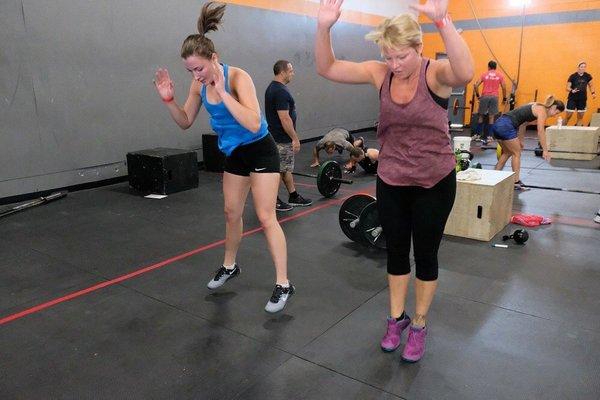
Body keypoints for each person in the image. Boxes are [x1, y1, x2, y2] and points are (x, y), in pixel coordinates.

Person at [316, 0, 474, 362]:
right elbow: (327, 67)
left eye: (400, 57)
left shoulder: (435, 74)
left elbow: (465, 72)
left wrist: (442, 21)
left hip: (435, 179)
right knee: (396, 252)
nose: (394, 64)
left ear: (418, 48)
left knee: (427, 255)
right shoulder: (380, 73)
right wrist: (324, 26)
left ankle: (419, 324)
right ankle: (396, 318)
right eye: (388, 56)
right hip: (392, 178)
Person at [153, 2, 294, 313]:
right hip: (235, 154)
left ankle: (284, 283)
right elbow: (185, 120)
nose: (196, 75)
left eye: (200, 68)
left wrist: (223, 91)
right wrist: (169, 101)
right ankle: (230, 265)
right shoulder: (199, 84)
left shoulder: (236, 78)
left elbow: (255, 123)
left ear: (213, 59)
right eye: (190, 71)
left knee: (266, 215)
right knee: (231, 212)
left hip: (261, 149)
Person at [265, 60, 313, 211]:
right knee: (279, 170)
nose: (293, 73)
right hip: (282, 138)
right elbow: (284, 118)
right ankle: (272, 201)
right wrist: (295, 138)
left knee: (285, 169)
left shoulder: (273, 88)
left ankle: (293, 196)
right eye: (291, 70)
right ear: (282, 72)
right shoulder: (280, 91)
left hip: (277, 137)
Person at [492, 95, 564, 189]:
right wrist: (545, 150)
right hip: (506, 125)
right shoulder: (542, 111)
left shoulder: (536, 105)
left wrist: (521, 140)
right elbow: (541, 131)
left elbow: (523, 124)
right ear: (553, 107)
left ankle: (493, 176)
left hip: (499, 123)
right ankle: (516, 182)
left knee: (507, 152)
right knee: (517, 153)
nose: (554, 115)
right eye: (556, 112)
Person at [473, 60, 507, 144]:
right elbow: (504, 87)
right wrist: (504, 98)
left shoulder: (484, 74)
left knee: (481, 116)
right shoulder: (500, 75)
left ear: (488, 67)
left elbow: (476, 85)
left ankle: (477, 135)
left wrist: (478, 95)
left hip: (484, 96)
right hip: (494, 97)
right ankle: (490, 137)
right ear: (495, 67)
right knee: (491, 117)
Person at [565, 62, 596, 126]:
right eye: (582, 67)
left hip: (582, 99)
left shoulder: (587, 76)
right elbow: (567, 88)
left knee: (580, 117)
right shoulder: (573, 76)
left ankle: (577, 131)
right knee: (568, 116)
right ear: (578, 67)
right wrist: (572, 90)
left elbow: (591, 85)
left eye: (584, 67)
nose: (583, 68)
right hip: (572, 98)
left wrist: (593, 93)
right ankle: (560, 129)